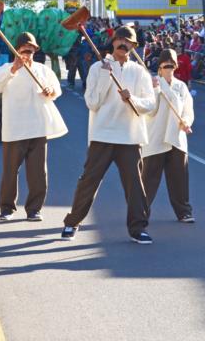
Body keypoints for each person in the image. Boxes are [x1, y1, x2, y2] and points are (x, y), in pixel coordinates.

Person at [61, 26, 156, 244]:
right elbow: (92, 102)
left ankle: (138, 228)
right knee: (89, 181)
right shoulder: (97, 68)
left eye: (129, 41)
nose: (124, 44)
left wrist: (132, 99)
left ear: (134, 46)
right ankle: (72, 222)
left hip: (130, 137)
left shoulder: (139, 71)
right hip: (102, 134)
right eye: (120, 39)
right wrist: (106, 76)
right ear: (113, 42)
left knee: (135, 185)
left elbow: (150, 104)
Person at [0, 32, 67, 221]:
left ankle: (34, 209)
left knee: (38, 173)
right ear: (16, 50)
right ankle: (7, 209)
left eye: (31, 49)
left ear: (35, 50)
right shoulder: (6, 68)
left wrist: (52, 91)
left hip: (38, 128)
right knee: (10, 172)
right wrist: (14, 68)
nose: (28, 51)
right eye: (24, 48)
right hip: (14, 129)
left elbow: (57, 90)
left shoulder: (43, 70)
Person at [142, 49, 195, 223]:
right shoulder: (152, 84)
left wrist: (186, 121)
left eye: (172, 65)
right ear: (160, 67)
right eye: (166, 65)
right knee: (149, 179)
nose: (169, 68)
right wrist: (157, 90)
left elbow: (188, 110)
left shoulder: (181, 86)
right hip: (156, 137)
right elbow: (150, 111)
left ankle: (184, 212)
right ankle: (141, 212)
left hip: (177, 138)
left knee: (180, 179)